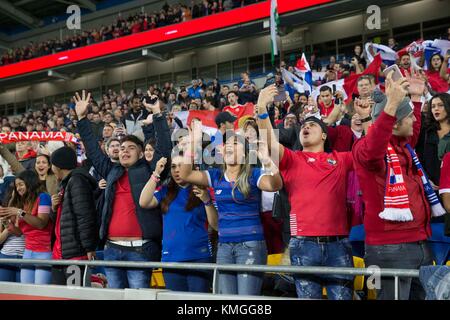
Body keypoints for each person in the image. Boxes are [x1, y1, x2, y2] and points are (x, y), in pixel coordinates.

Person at [256, 85, 356, 300]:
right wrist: (261, 109)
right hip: (303, 245)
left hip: (338, 244)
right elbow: (270, 143)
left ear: (324, 136)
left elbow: (367, 152)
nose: (305, 128)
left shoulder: (341, 159)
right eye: (303, 126)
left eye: (312, 125)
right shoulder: (292, 159)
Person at [75, 90, 172, 289]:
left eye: (130, 148)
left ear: (142, 154)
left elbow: (163, 149)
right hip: (111, 250)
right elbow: (93, 151)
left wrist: (158, 114)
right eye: (122, 148)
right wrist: (82, 118)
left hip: (140, 251)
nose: (124, 151)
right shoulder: (110, 171)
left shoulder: (148, 170)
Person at [352, 71, 435, 300]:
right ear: (395, 124)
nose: (415, 120)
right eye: (410, 117)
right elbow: (373, 148)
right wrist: (393, 105)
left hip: (419, 242)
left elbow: (413, 131)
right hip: (387, 249)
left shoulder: (402, 145)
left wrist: (416, 99)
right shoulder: (365, 150)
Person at [179, 121, 283, 295]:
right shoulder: (216, 176)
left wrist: (267, 161)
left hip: (250, 246)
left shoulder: (254, 174)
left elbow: (274, 185)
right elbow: (185, 174)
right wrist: (193, 144)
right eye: (226, 143)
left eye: (235, 144)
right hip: (224, 246)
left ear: (245, 153)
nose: (229, 146)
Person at [139, 154, 218, 292]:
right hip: (171, 257)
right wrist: (156, 173)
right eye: (173, 166)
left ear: (192, 168)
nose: (176, 170)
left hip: (199, 256)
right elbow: (144, 202)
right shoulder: (164, 191)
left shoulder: (204, 190)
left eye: (181, 166)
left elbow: (216, 224)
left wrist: (206, 200)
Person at [49, 146, 99, 286]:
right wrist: (53, 208)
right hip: (60, 254)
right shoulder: (65, 184)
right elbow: (60, 220)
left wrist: (89, 248)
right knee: (59, 295)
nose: (51, 168)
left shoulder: (77, 181)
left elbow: (85, 217)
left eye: (52, 164)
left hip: (75, 255)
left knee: (73, 293)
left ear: (59, 166)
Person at [0, 170, 53, 284]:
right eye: (16, 186)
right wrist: (6, 223)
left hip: (43, 252)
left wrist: (19, 212)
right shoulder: (24, 202)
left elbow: (41, 223)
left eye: (21, 184)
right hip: (28, 252)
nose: (18, 188)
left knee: (40, 292)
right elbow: (19, 232)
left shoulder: (43, 197)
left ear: (30, 182)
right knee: (26, 291)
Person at [417, 93, 450, 186]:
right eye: (433, 106)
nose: (436, 108)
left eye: (440, 105)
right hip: (432, 186)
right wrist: (426, 179)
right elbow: (419, 157)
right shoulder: (426, 131)